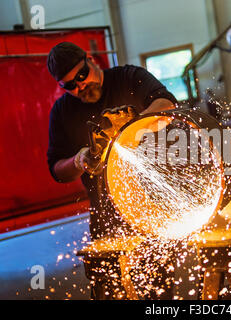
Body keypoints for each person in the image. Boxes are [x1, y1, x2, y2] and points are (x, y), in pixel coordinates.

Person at [46, 42, 177, 299]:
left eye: (81, 76)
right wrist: (77, 160)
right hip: (105, 217)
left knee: (157, 288)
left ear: (91, 59)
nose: (80, 86)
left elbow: (167, 104)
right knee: (108, 288)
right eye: (70, 85)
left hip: (151, 208)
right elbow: (56, 169)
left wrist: (132, 130)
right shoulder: (61, 111)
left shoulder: (129, 77)